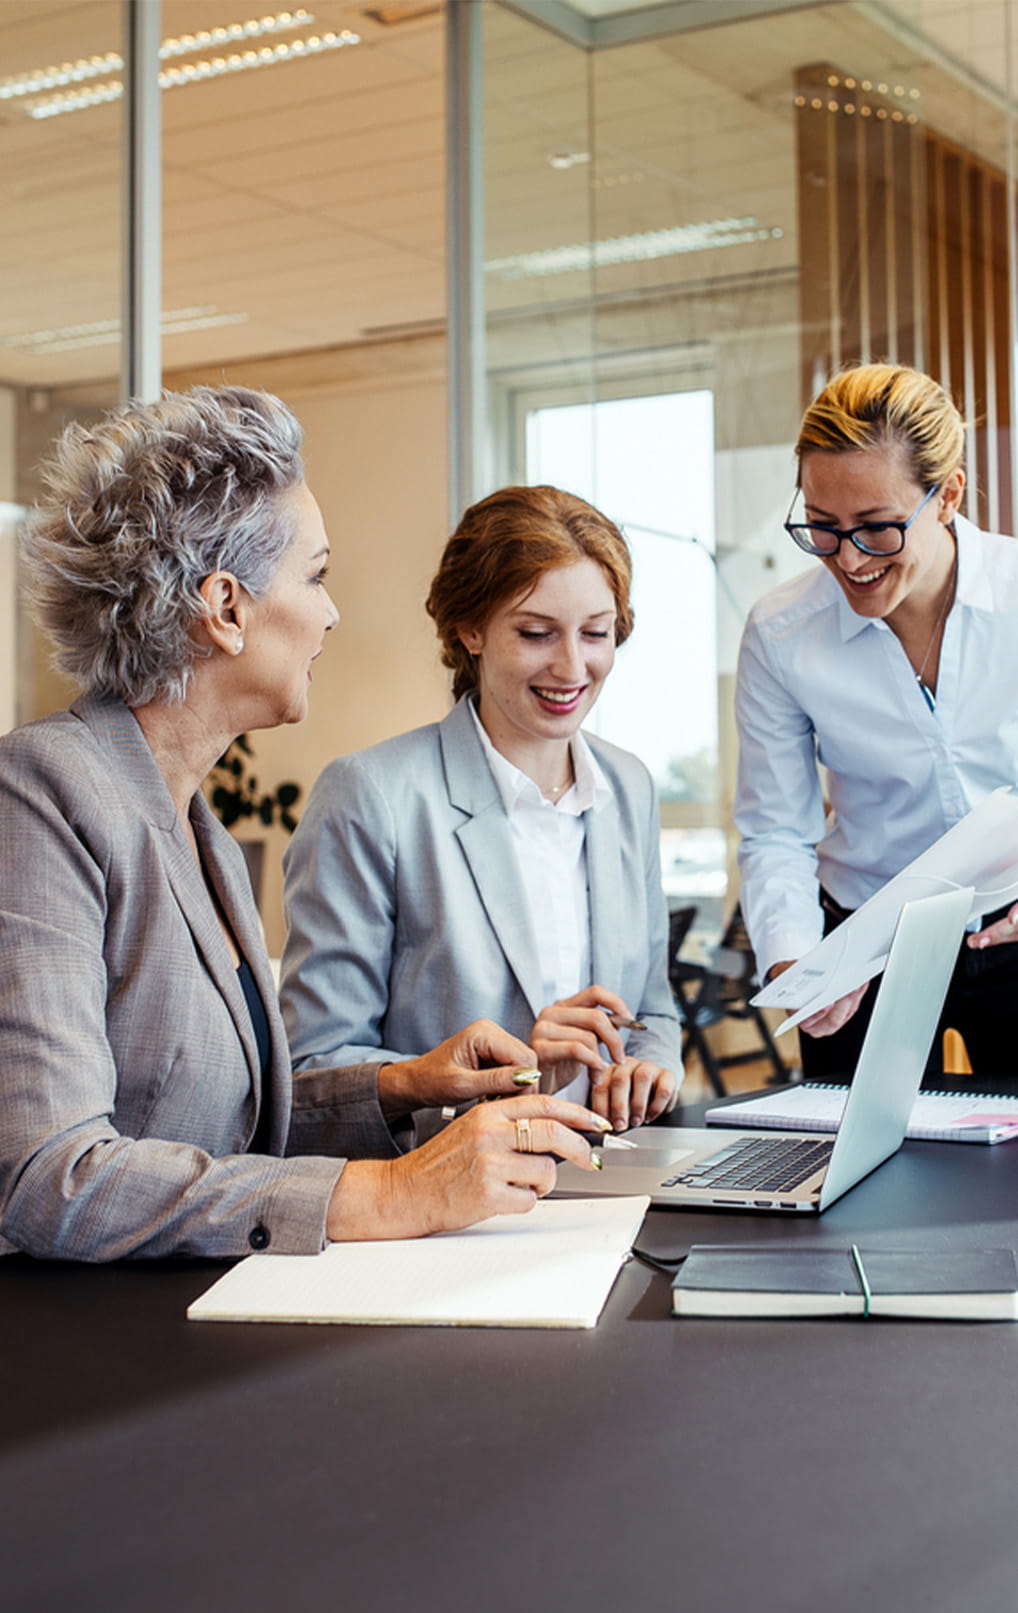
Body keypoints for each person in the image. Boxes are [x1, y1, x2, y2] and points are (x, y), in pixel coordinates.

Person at [0, 387, 608, 1263]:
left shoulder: (195, 822)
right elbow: (51, 1174)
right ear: (226, 607)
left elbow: (227, 1121)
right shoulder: (43, 793)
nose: (330, 613)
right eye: (315, 576)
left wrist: (406, 1083)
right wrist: (392, 1189)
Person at [280, 484, 681, 1133]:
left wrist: (650, 1066)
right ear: (470, 627)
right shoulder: (371, 796)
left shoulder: (628, 786)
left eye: (596, 633)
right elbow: (316, 1077)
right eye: (535, 632)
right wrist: (516, 1072)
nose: (573, 666)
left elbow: (653, 1012)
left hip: (605, 1181)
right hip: (447, 1203)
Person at [734, 361, 1018, 1081]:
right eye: (822, 528)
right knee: (857, 1177)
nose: (850, 558)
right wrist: (797, 955)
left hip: (1013, 921)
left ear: (947, 496)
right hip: (863, 939)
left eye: (878, 528)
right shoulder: (781, 634)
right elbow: (776, 829)